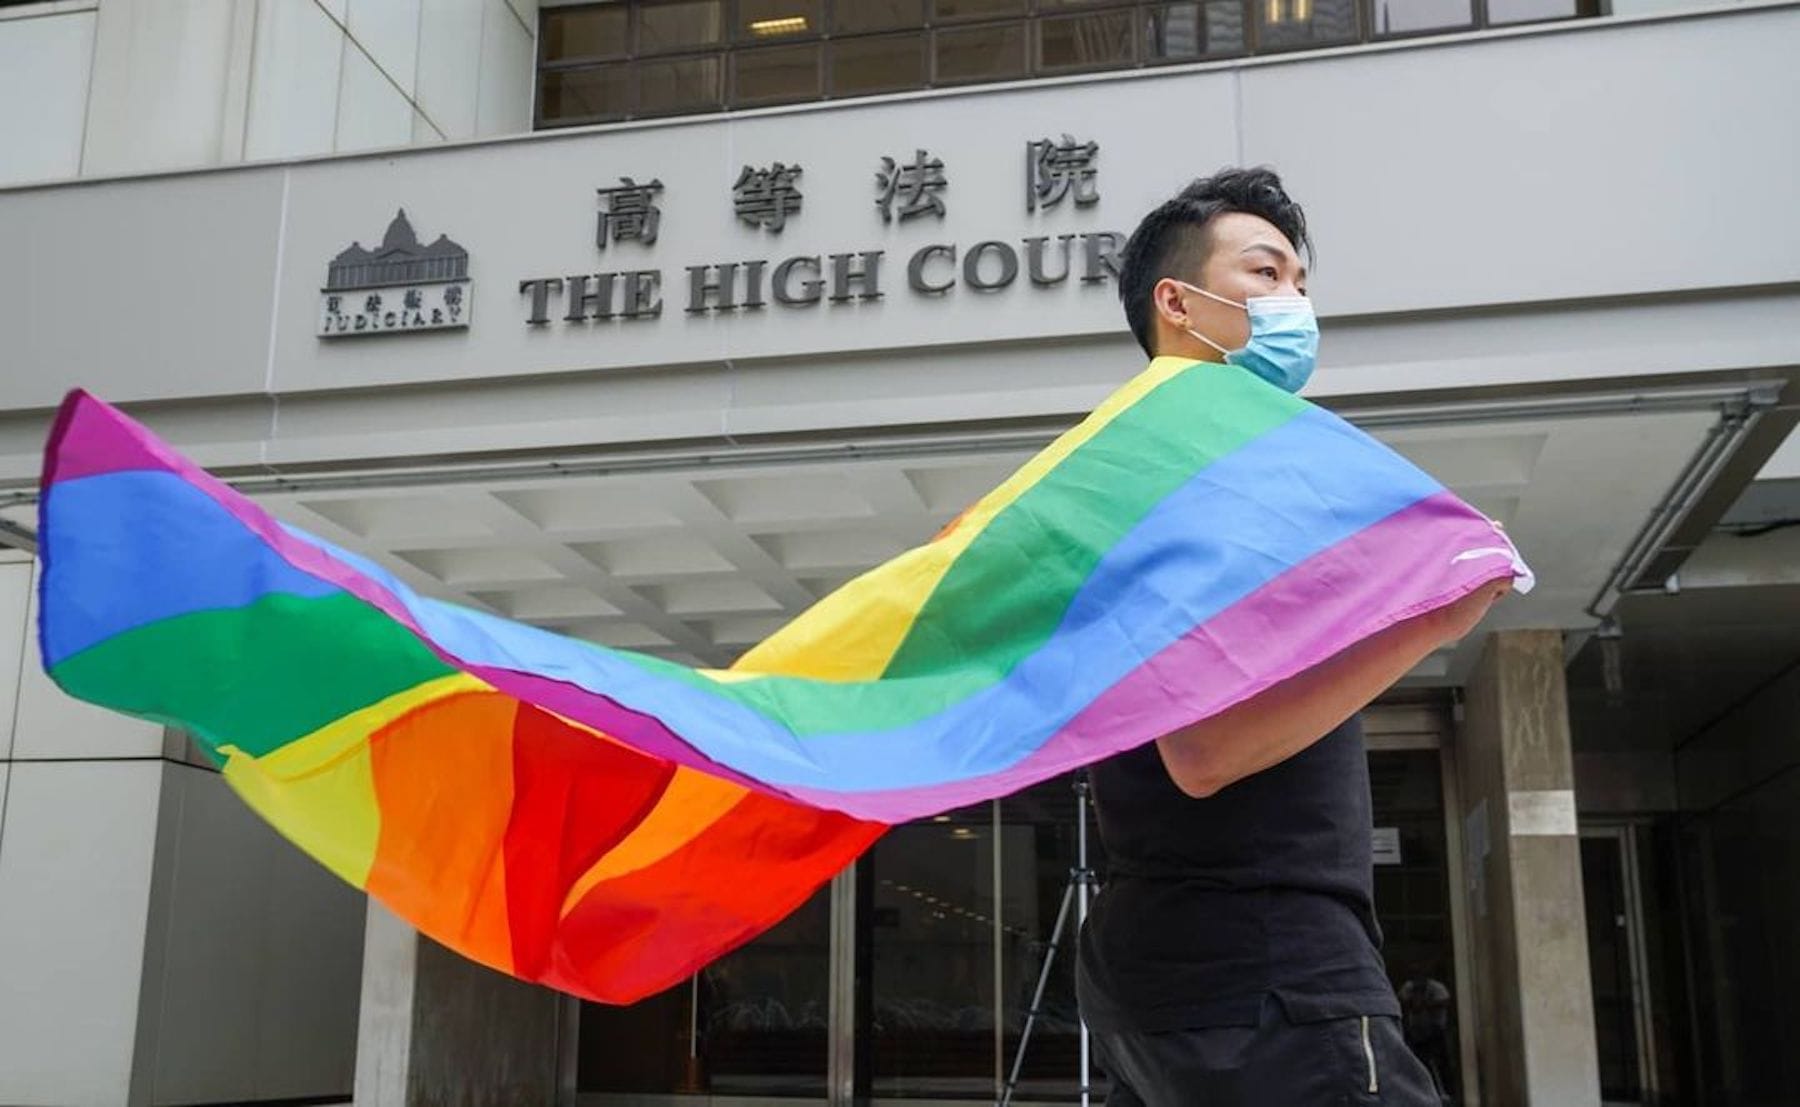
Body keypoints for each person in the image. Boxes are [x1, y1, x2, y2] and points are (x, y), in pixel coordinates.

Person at [1074, 167, 1512, 1105]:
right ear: (1176, 303)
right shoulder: (1204, 475)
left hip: (1169, 976)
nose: (1295, 305)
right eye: (1265, 274)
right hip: (1265, 973)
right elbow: (1201, 750)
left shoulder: (1131, 470)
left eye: (1302, 284)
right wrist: (1433, 618)